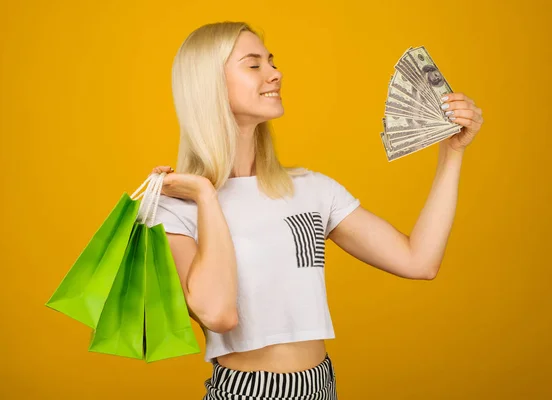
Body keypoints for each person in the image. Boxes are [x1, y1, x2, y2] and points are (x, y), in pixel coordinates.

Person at [145, 21, 484, 399]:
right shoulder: (175, 206)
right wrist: (207, 197)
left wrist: (452, 154)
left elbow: (419, 262)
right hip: (246, 391)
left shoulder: (311, 189)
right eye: (254, 64)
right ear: (208, 83)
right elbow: (220, 315)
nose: (276, 73)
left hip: (320, 385)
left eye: (271, 61)